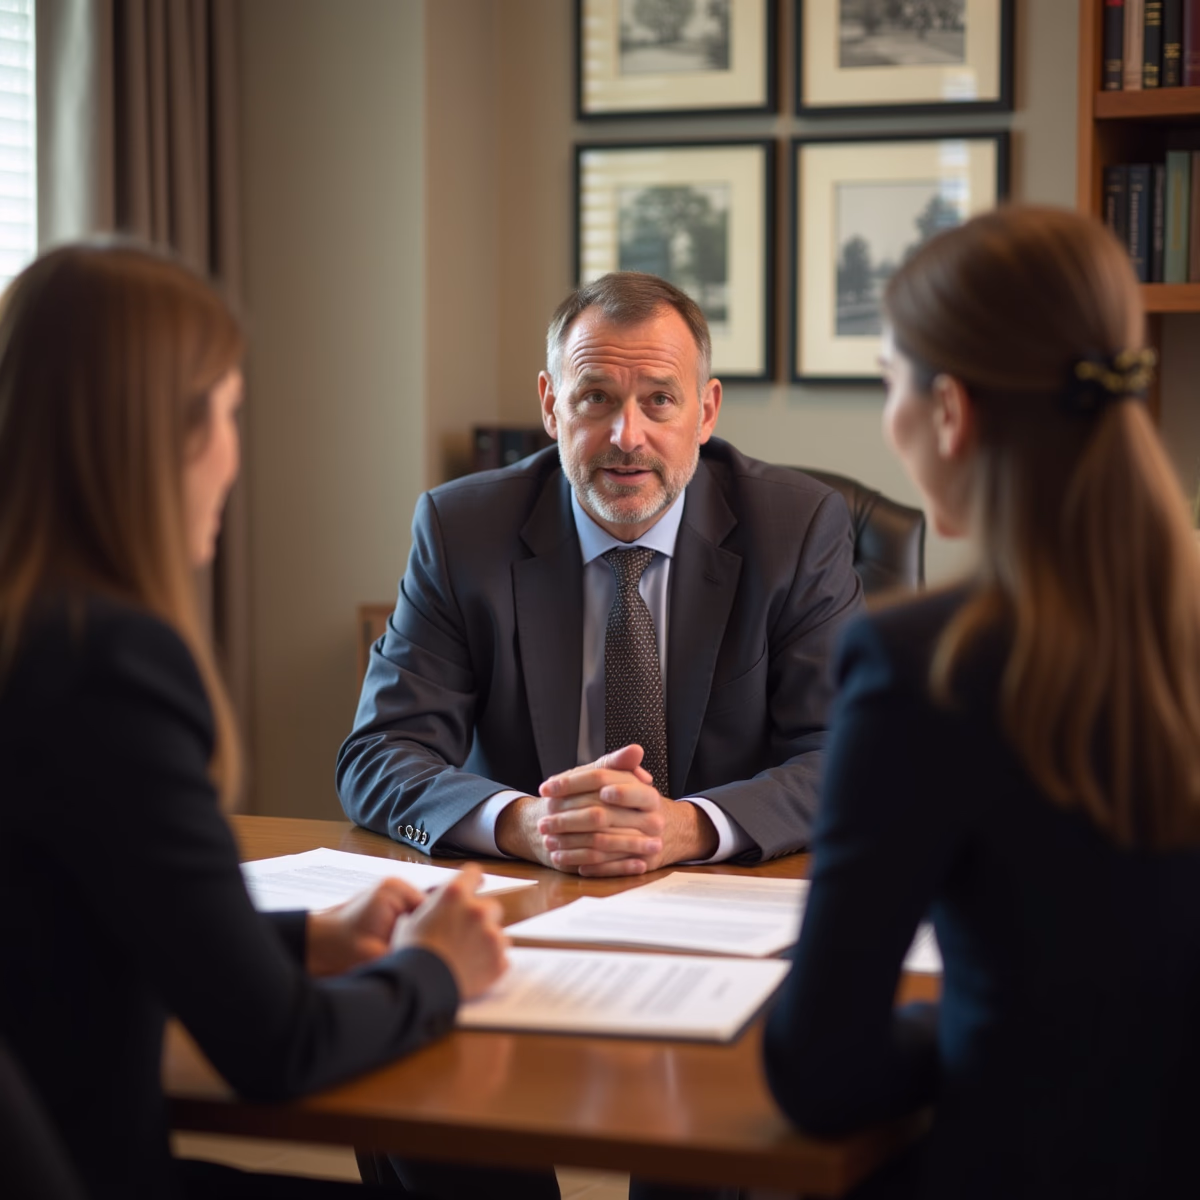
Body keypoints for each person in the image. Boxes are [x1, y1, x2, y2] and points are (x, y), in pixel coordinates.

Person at [0, 242, 509, 1200]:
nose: (237, 454)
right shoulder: (110, 668)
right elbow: (279, 1049)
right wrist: (439, 970)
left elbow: (63, 927)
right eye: (230, 413)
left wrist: (294, 942)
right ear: (160, 435)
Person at [763, 205, 1200, 1198]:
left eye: (887, 383)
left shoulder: (925, 664)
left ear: (951, 411)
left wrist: (959, 1030)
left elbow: (821, 1069)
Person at [337, 272, 863, 882]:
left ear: (706, 411)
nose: (627, 437)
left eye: (660, 399)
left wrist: (685, 827)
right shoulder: (462, 531)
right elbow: (378, 754)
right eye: (596, 398)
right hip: (537, 895)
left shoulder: (795, 529)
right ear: (551, 406)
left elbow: (846, 755)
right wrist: (528, 824)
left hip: (731, 895)